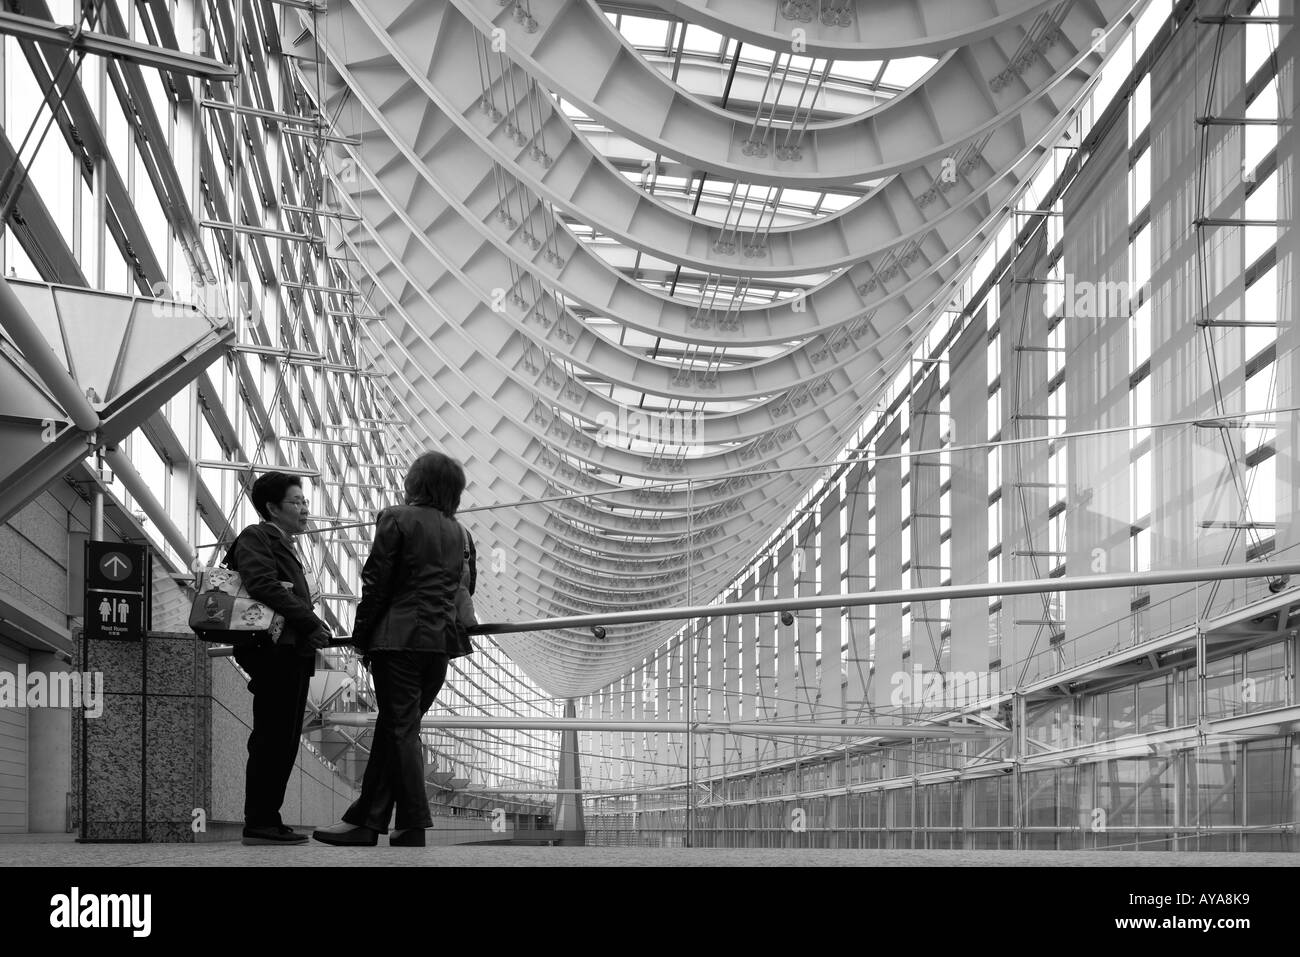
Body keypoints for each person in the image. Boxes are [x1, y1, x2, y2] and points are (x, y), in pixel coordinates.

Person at [314, 451, 475, 848]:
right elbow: (465, 590)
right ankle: (368, 822)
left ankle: (414, 821)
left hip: (398, 641)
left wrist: (361, 638)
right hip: (439, 648)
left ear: (416, 483)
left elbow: (377, 583)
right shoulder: (461, 534)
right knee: (395, 732)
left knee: (400, 731)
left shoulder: (396, 518)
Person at [226, 471, 331, 846]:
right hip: (272, 653)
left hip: (292, 652)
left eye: (305, 502)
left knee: (284, 738)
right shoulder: (257, 537)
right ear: (272, 507)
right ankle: (258, 821)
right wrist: (309, 621)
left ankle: (269, 817)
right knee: (272, 737)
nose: (304, 509)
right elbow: (261, 584)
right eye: (297, 502)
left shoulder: (284, 544)